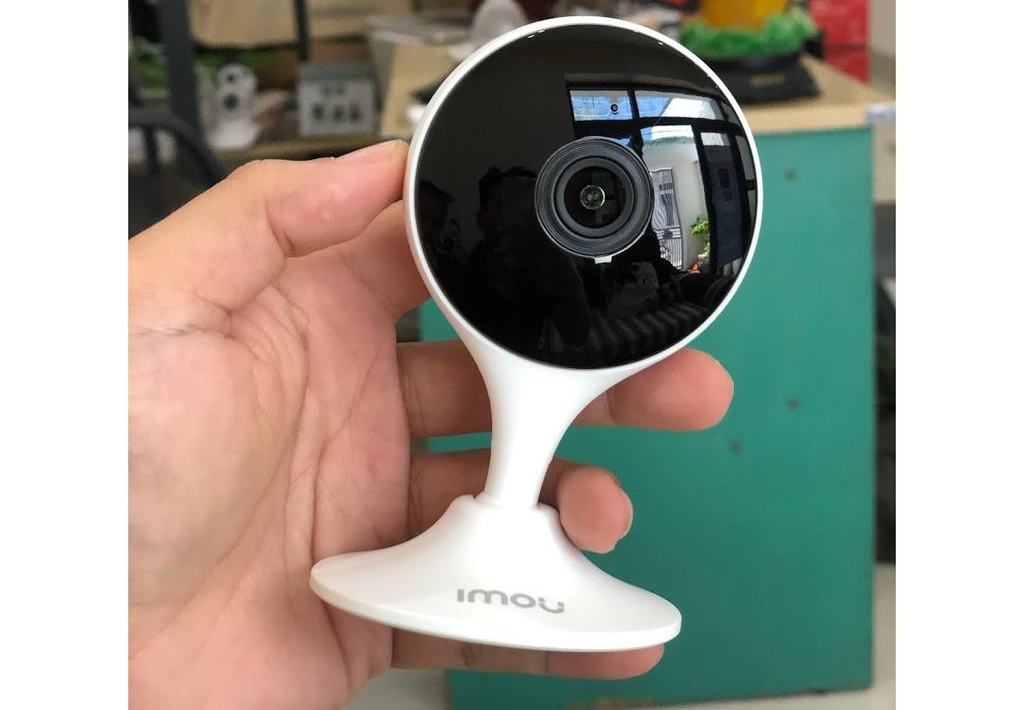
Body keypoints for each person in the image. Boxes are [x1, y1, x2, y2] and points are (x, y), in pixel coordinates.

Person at [129, 141, 734, 710]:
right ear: (487, 215)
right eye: (506, 213)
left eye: (528, 214)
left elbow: (577, 335)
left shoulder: (555, 270)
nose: (518, 227)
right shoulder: (463, 262)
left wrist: (559, 280)